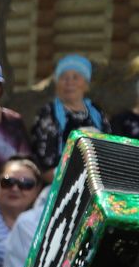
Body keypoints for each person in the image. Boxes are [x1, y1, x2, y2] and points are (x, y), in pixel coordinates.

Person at [29, 54, 106, 182]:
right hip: (59, 179)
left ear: (86, 84)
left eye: (76, 77)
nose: (69, 82)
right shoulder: (48, 113)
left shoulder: (96, 111)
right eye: (64, 77)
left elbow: (107, 143)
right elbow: (43, 161)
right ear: (57, 84)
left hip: (96, 179)